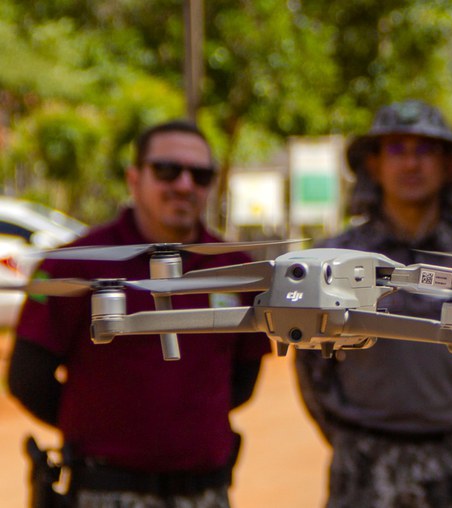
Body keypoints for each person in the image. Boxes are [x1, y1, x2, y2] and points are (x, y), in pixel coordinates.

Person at [7, 120, 271, 507]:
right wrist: (108, 429)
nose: (184, 184)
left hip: (204, 493)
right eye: (166, 170)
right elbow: (28, 378)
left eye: (200, 175)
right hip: (105, 490)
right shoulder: (76, 264)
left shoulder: (238, 268)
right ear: (134, 178)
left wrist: (181, 422)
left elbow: (243, 379)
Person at [294, 99, 452, 508]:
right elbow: (311, 364)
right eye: (396, 149)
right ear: (374, 165)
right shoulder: (335, 257)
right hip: (362, 459)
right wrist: (351, 431)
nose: (411, 163)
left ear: (450, 165)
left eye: (425, 150)